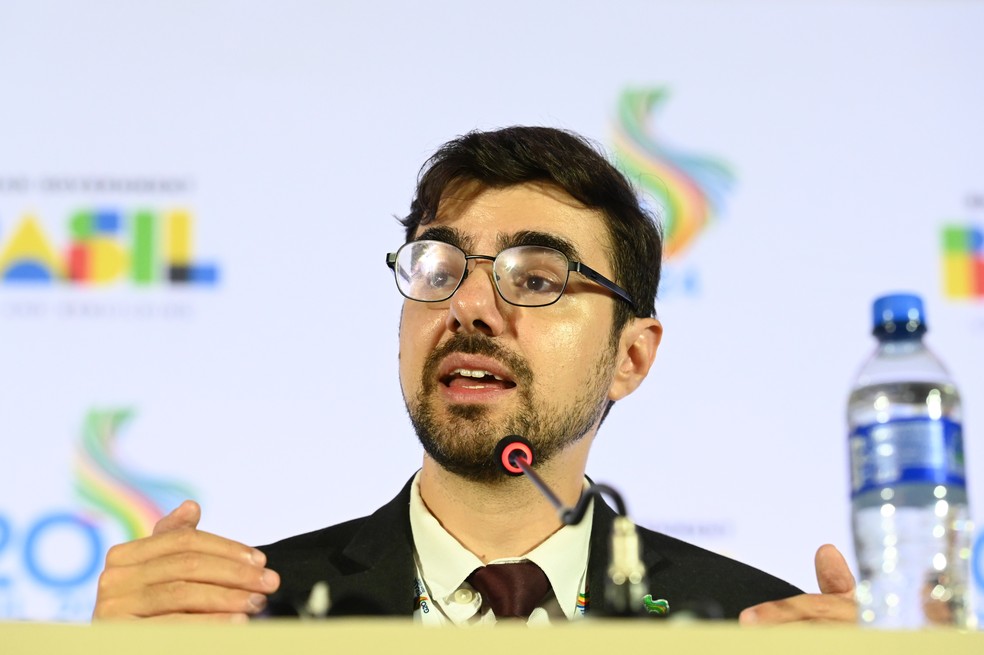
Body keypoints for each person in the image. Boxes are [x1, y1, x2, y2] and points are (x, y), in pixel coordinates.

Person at [92, 126, 857, 625]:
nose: (468, 306)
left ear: (632, 356)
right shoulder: (250, 615)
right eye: (439, 265)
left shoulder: (742, 624)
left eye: (536, 277)